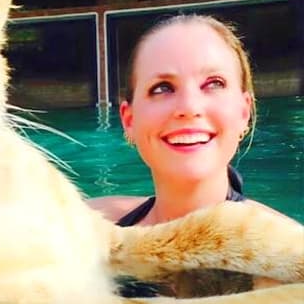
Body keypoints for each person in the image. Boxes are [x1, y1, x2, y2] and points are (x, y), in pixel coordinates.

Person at [87, 13, 295, 227]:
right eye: (162, 88)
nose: (189, 107)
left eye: (214, 84)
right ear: (129, 120)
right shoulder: (87, 227)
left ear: (244, 112)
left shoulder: (292, 252)